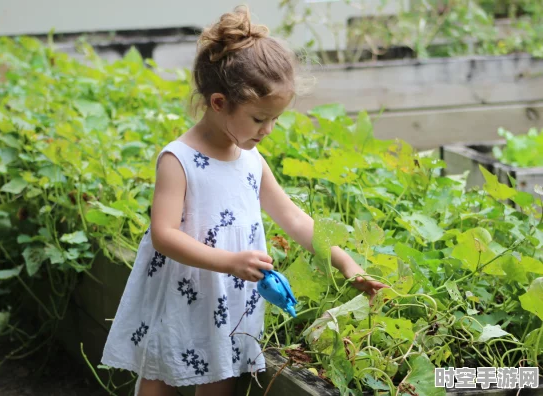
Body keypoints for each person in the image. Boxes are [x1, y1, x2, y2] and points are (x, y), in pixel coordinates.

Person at [101, 5, 388, 396]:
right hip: (183, 292)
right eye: (258, 119)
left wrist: (346, 263)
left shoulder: (251, 160)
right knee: (160, 376)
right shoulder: (179, 160)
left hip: (230, 300)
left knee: (222, 378)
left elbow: (294, 219)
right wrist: (230, 262)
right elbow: (164, 234)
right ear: (219, 103)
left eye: (274, 120)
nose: (268, 130)